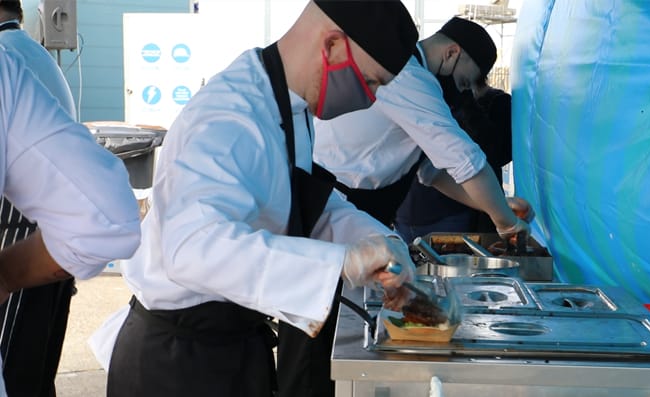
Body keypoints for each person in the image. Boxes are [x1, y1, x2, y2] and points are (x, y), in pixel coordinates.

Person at [103, 2, 419, 397]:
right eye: (371, 82)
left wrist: (378, 240)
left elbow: (306, 204)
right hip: (180, 362)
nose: (370, 100)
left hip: (231, 344)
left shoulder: (287, 105)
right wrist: (339, 262)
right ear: (333, 46)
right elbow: (191, 248)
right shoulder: (231, 117)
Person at [0, 2, 141, 397]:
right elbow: (102, 214)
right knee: (35, 368)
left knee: (22, 368)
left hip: (25, 236)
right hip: (50, 244)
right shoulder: (27, 55)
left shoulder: (8, 56)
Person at [313, 16, 531, 238]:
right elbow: (465, 160)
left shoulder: (404, 70)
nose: (461, 93)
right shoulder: (408, 76)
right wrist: (506, 223)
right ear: (451, 53)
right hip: (333, 204)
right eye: (463, 83)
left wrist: (497, 204)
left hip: (353, 204)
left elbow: (433, 174)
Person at [394, 82, 513, 242]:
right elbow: (429, 170)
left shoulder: (494, 102)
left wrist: (499, 208)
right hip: (402, 213)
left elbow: (439, 170)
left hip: (448, 213)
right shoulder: (416, 92)